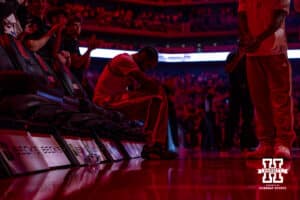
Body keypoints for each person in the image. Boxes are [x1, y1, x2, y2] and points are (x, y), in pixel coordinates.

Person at [93, 46, 177, 160]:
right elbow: (147, 82)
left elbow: (140, 88)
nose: (147, 69)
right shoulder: (124, 60)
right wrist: (165, 86)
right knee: (157, 96)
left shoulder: (130, 67)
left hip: (114, 100)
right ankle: (153, 146)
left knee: (157, 99)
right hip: (104, 101)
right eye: (148, 65)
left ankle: (155, 144)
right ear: (143, 56)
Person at [238, 0, 295, 159]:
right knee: (259, 100)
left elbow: (279, 17)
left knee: (281, 99)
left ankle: (283, 142)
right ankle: (266, 143)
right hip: (253, 52)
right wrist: (247, 36)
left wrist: (257, 39)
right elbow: (242, 14)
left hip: (275, 49)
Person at [224, 50, 258, 151]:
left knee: (247, 118)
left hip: (247, 91)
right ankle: (228, 142)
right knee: (233, 117)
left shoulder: (250, 56)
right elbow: (228, 69)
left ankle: (246, 142)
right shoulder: (233, 56)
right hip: (236, 90)